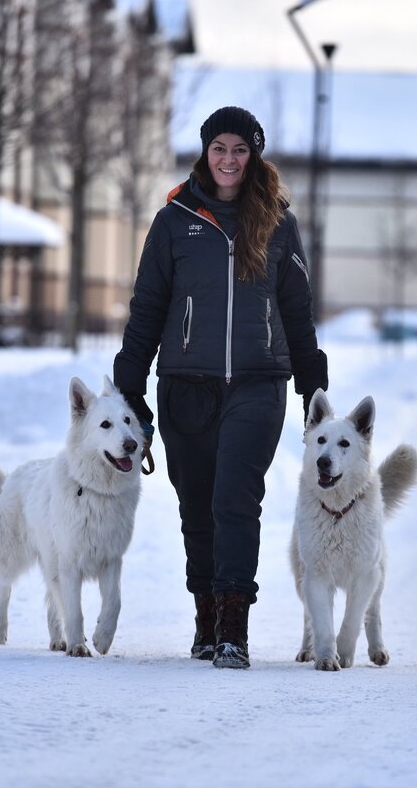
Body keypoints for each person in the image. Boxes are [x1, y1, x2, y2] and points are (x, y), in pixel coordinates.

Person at [113, 106, 328, 669]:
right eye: (219, 149)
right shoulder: (174, 220)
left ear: (253, 156)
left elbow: (297, 310)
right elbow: (148, 308)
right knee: (197, 507)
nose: (229, 160)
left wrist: (313, 387)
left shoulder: (278, 221)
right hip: (186, 383)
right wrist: (128, 384)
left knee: (236, 498)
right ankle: (206, 616)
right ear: (205, 154)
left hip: (259, 382)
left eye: (240, 150)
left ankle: (234, 627)